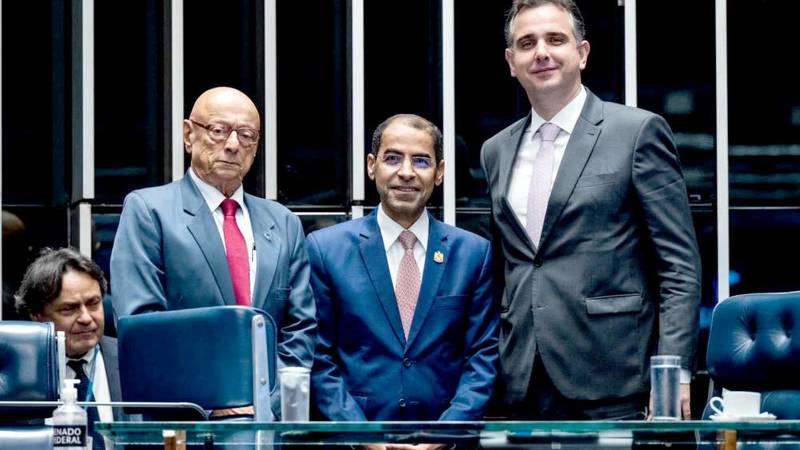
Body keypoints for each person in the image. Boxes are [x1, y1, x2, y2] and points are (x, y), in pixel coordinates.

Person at [480, 0, 701, 420]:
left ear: (582, 53)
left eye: (555, 39)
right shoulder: (496, 151)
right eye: (527, 43)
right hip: (520, 379)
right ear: (511, 62)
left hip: (614, 377)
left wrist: (674, 374)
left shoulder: (637, 132)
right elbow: (509, 266)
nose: (541, 52)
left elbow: (679, 266)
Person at [110, 86, 316, 417]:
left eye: (246, 135)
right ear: (188, 135)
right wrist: (217, 402)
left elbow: (300, 330)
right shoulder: (149, 211)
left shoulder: (283, 223)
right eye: (218, 130)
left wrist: (266, 406)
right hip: (184, 421)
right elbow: (142, 326)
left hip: (267, 422)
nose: (233, 145)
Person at [309, 114, 499, 434]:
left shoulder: (473, 254)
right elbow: (318, 356)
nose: (407, 172)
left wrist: (446, 432)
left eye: (421, 161)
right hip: (355, 438)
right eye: (393, 158)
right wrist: (360, 433)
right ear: (372, 166)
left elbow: (483, 355)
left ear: (439, 172)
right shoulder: (326, 250)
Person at [15, 247, 122, 450]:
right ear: (37, 315)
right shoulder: (15, 375)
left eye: (93, 303)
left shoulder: (131, 358)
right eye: (69, 309)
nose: (86, 318)